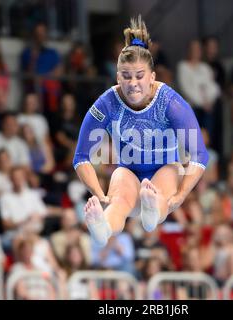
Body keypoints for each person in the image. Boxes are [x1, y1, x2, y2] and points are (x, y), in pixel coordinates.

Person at [73, 16, 209, 247]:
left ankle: (152, 211)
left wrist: (181, 195)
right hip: (129, 172)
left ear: (152, 77)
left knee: (169, 176)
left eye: (139, 76)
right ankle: (102, 227)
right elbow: (81, 157)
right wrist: (99, 193)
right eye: (126, 76)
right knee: (119, 197)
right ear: (118, 77)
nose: (133, 83)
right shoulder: (107, 103)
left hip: (165, 167)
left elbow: (200, 154)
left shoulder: (170, 103)